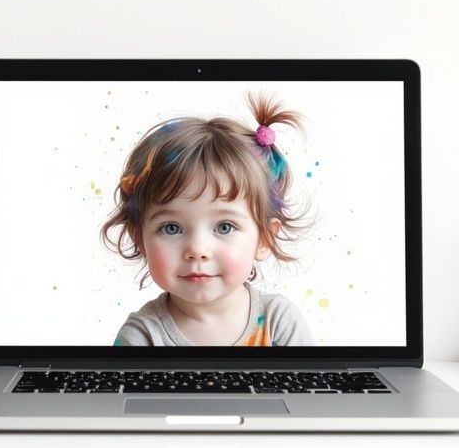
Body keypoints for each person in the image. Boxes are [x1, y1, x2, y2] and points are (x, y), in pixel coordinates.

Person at [102, 93, 314, 346]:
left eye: (225, 226)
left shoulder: (278, 321)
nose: (197, 250)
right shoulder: (142, 336)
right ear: (138, 237)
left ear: (264, 239)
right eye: (171, 228)